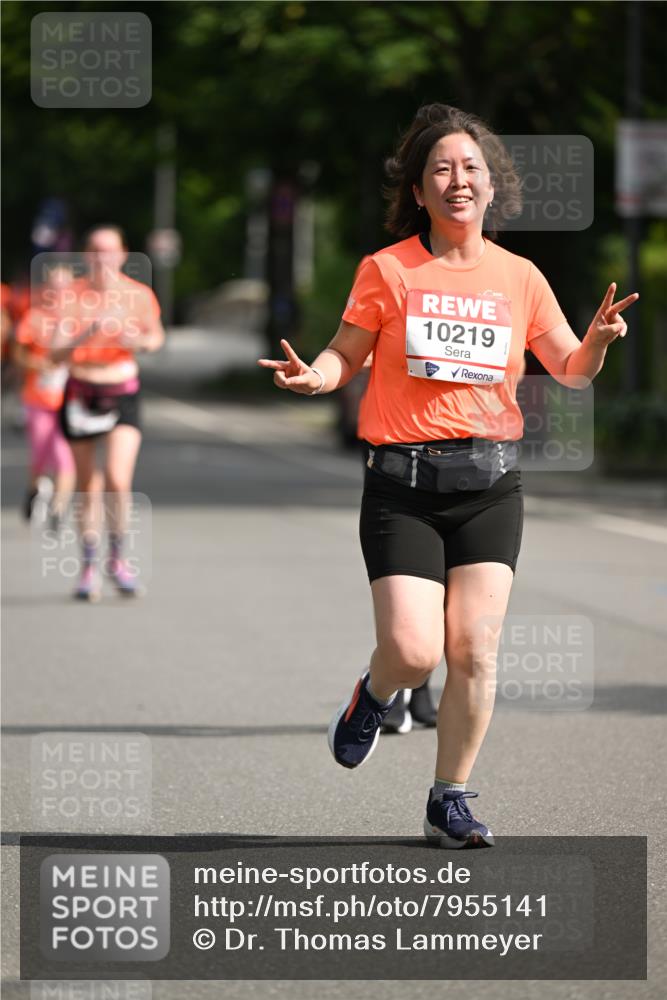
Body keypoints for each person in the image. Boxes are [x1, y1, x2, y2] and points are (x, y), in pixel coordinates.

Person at [258, 103, 638, 848]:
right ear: (420, 191)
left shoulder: (518, 277)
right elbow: (345, 353)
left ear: (491, 187)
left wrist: (594, 341)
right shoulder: (387, 269)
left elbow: (568, 370)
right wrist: (317, 376)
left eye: (470, 168)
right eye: (441, 169)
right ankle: (373, 693)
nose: (457, 180)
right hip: (401, 485)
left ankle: (449, 798)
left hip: (489, 485)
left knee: (474, 648)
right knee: (412, 652)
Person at [53, 225, 164, 601]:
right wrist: (87, 333)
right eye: (96, 251)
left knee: (117, 478)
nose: (102, 258)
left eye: (110, 251)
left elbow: (156, 336)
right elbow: (52, 353)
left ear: (122, 255)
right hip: (81, 392)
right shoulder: (70, 296)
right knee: (90, 485)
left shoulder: (138, 295)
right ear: (86, 255)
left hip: (122, 392)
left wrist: (139, 342)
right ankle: (87, 567)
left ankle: (117, 559)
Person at [12, 263, 76, 528]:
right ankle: (33, 488)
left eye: (64, 287)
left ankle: (59, 509)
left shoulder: (79, 319)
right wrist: (36, 364)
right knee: (40, 454)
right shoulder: (35, 317)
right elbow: (18, 353)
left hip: (71, 399)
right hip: (38, 396)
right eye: (54, 286)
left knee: (63, 455)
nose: (59, 292)